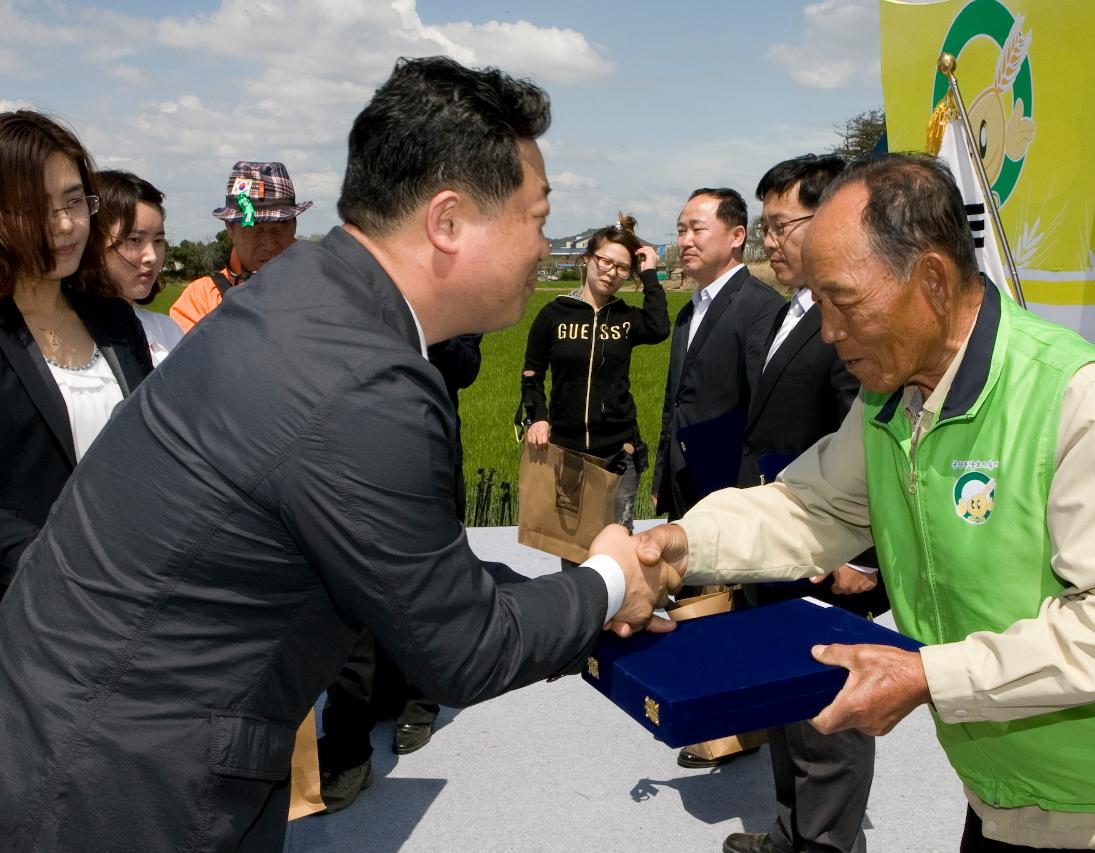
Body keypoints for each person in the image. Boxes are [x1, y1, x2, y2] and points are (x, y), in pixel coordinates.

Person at [0, 56, 669, 852]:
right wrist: (610, 582)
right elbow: (464, 648)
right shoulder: (368, 379)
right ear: (448, 221)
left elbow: (410, 571)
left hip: (70, 725)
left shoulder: (309, 292)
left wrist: (588, 590)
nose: (541, 246)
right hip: (128, 789)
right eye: (536, 216)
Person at [621, 153, 1095, 852]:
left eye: (844, 301)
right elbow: (808, 507)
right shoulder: (890, 402)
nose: (827, 331)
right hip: (1003, 795)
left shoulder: (1084, 402)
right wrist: (677, 547)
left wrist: (926, 675)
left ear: (934, 280)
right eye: (817, 302)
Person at [723, 154, 873, 853]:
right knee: (787, 705)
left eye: (780, 225)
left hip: (824, 556)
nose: (769, 241)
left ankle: (827, 845)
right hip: (779, 544)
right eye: (764, 226)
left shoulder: (850, 322)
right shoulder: (795, 311)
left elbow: (867, 439)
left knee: (826, 722)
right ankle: (790, 830)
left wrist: (862, 560)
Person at [319, 332, 483, 812]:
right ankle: (348, 743)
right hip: (350, 457)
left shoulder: (452, 292)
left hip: (428, 459)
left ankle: (420, 701)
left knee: (429, 591)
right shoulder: (350, 289)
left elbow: (467, 365)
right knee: (349, 598)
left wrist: (430, 336)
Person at [0, 110, 152, 595]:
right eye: (37, 207)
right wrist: (57, 568)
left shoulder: (115, 320)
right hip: (26, 608)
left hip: (127, 594)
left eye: (74, 201)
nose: (64, 225)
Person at [521, 213, 670, 531]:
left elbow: (659, 328)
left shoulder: (626, 318)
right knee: (572, 546)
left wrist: (650, 275)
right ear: (587, 259)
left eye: (622, 268)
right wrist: (538, 416)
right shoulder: (554, 314)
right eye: (605, 261)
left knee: (616, 548)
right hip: (567, 450)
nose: (612, 272)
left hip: (619, 450)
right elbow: (532, 373)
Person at [651, 187, 782, 521]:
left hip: (729, 490)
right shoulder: (687, 312)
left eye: (697, 229)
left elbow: (763, 410)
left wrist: (751, 492)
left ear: (737, 235)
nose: (684, 241)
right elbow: (674, 401)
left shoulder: (760, 307)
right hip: (683, 481)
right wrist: (661, 477)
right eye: (681, 231)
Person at [167, 160, 311, 331]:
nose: (269, 245)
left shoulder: (317, 288)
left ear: (294, 226)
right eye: (254, 230)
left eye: (279, 229)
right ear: (229, 228)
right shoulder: (201, 299)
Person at [95, 170, 184, 364]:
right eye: (135, 240)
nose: (151, 257)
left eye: (159, 240)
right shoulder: (71, 339)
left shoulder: (168, 331)